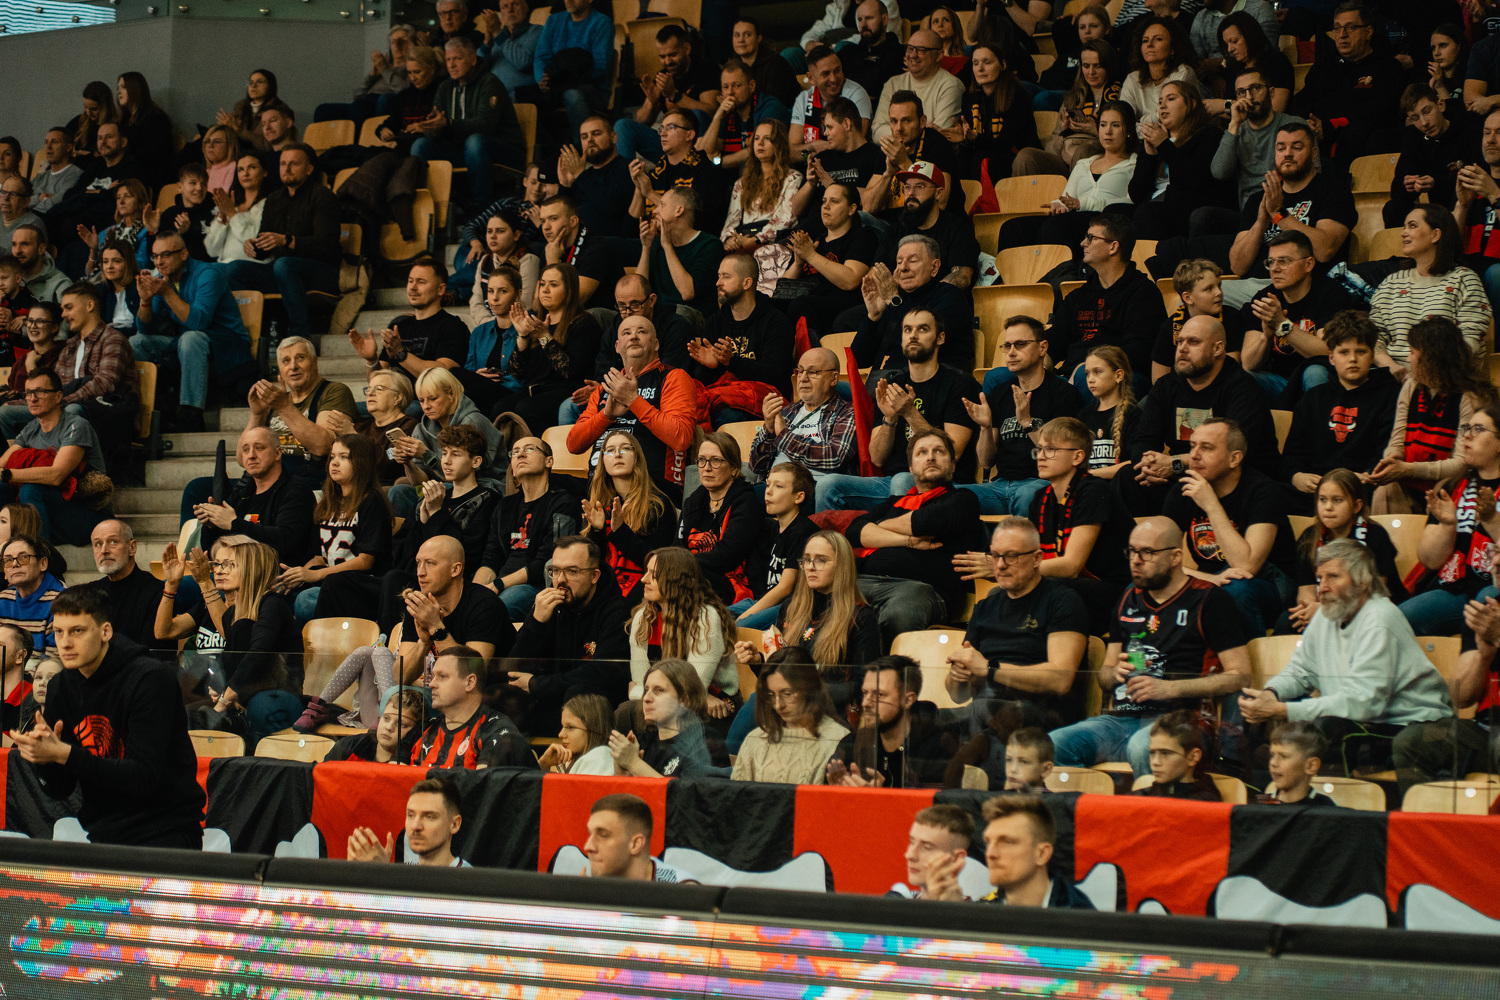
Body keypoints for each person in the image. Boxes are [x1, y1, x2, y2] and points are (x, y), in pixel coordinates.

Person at [1050, 516, 1251, 777]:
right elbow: (1105, 676)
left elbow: (1240, 675)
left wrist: (1170, 688)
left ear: (1176, 557)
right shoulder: (1127, 599)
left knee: (1143, 747)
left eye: (1148, 552)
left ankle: (1155, 804)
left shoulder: (1210, 601)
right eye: (1132, 551)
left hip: (1183, 720)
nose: (1136, 560)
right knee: (1055, 745)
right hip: (1121, 719)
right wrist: (1114, 672)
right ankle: (1090, 804)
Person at [7, 586, 205, 848]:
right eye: (59, 632)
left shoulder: (150, 678)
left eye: (77, 631)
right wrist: (45, 760)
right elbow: (60, 789)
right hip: (104, 831)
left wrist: (65, 754)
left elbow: (143, 777)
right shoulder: (60, 687)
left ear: (106, 632)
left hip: (165, 829)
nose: (65, 642)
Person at [1241, 539, 1453, 777]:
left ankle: (1324, 796)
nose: (1322, 588)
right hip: (1363, 723)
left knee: (1330, 729)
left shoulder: (1380, 618)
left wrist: (1283, 710)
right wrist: (1271, 694)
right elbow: (1300, 671)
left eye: (1333, 577)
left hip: (1412, 727)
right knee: (1257, 727)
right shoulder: (1325, 616)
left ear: (1363, 582)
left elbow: (1361, 704)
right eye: (1319, 579)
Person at [297, 536, 511, 730]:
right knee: (385, 678)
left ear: (455, 569)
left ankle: (383, 725)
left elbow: (473, 674)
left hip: (478, 704)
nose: (420, 572)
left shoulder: (484, 605)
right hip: (432, 696)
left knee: (396, 697)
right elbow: (402, 677)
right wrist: (423, 644)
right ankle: (327, 708)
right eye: (418, 563)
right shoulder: (419, 604)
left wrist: (436, 629)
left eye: (430, 563)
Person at [946, 517, 1091, 730]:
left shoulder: (1063, 602)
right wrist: (957, 676)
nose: (1000, 565)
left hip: (1039, 716)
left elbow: (1060, 680)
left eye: (1011, 556)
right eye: (995, 556)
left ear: (1037, 558)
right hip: (987, 712)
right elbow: (958, 695)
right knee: (921, 717)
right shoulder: (985, 607)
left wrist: (990, 669)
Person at [1124, 316, 1276, 515]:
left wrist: (1174, 464)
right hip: (1180, 475)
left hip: (1229, 479)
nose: (1182, 349)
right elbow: (1143, 440)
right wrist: (1148, 464)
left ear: (1218, 348)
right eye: (1180, 342)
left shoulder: (1242, 388)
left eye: (1193, 342)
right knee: (1127, 477)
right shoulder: (1166, 386)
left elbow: (1233, 452)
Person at [1163, 417, 1294, 636]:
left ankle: (1245, 658)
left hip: (1267, 584)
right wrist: (1210, 579)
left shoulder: (1263, 492)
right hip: (1213, 580)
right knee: (1142, 586)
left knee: (1234, 588)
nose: (1193, 455)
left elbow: (1246, 567)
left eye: (1207, 448)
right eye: (1192, 446)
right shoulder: (1182, 490)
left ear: (1234, 459)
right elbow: (1161, 560)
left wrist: (1211, 504)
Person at [848, 430, 983, 641]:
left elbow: (924, 522)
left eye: (939, 451)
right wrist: (908, 540)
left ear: (953, 465)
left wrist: (878, 527)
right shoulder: (893, 503)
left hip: (921, 590)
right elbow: (855, 531)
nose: (930, 457)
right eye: (922, 452)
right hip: (864, 581)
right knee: (824, 602)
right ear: (911, 468)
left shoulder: (963, 500)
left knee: (899, 613)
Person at [156, 535, 302, 729]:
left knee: (188, 718)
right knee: (165, 688)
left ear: (251, 568)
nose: (218, 570)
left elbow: (255, 653)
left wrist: (224, 699)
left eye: (229, 564)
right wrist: (171, 584)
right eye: (216, 564)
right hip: (225, 691)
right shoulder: (229, 612)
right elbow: (163, 632)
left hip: (271, 695)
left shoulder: (272, 605)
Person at [1365, 317, 1495, 515]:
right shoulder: (1410, 386)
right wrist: (1392, 459)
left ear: (1431, 358)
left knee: (1444, 487)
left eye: (1412, 352)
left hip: (1447, 484)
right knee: (1386, 489)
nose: (1408, 359)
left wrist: (1408, 469)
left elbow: (1462, 464)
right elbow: (1396, 440)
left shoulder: (1468, 397)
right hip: (1410, 478)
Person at [567, 317, 698, 508]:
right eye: (626, 333)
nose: (634, 336)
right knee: (550, 485)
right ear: (617, 346)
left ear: (656, 344)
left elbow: (681, 438)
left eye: (642, 332)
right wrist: (606, 416)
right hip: (601, 492)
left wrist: (633, 401)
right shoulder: (603, 389)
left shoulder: (673, 377)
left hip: (653, 493)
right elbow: (573, 444)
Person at [132, 230, 255, 433]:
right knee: (136, 342)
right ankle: (149, 411)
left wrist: (167, 293)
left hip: (227, 340)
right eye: (155, 256)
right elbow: (147, 329)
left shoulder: (208, 274)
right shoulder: (162, 279)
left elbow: (200, 322)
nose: (159, 262)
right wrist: (145, 300)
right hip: (189, 341)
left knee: (190, 338)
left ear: (183, 254)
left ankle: (191, 414)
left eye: (166, 255)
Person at [221, 144, 342, 343]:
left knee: (284, 264)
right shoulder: (274, 199)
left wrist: (287, 240)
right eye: (283, 164)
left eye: (294, 164)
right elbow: (265, 245)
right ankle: (252, 335)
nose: (286, 169)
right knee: (234, 269)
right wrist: (254, 246)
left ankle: (300, 336)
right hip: (282, 271)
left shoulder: (323, 196)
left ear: (309, 169)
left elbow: (326, 245)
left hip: (322, 272)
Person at [1397, 404, 1500, 634]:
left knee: (1486, 602)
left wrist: (1491, 519)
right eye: (1467, 428)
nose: (1468, 436)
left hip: (1493, 588)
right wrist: (1447, 525)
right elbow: (1429, 560)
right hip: (1454, 589)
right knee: (1395, 620)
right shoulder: (1451, 487)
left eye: (1478, 429)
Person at [508, 535, 632, 718]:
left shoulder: (617, 611)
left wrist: (538, 685)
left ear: (594, 576)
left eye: (572, 571)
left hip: (594, 708)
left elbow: (602, 674)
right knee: (500, 693)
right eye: (555, 570)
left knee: (577, 694)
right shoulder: (549, 607)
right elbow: (514, 667)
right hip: (549, 701)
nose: (560, 579)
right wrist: (536, 623)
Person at [967, 317, 1079, 516]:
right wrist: (985, 427)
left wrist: (1027, 422)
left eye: (1020, 344)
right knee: (954, 496)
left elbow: (1060, 456)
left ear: (1042, 348)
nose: (1011, 352)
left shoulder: (1063, 394)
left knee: (1027, 496)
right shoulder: (999, 394)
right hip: (1000, 487)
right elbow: (986, 461)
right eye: (1007, 345)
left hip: (1042, 483)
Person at [1227, 121, 1357, 290]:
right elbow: (1237, 266)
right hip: (1257, 284)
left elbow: (1324, 251)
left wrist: (1278, 214)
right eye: (1281, 148)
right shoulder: (1260, 199)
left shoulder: (1333, 191)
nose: (1287, 153)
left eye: (1296, 147)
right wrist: (1261, 222)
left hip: (1305, 286)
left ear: (1313, 153)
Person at [1281, 311, 1400, 495]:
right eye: (1344, 352)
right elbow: (1294, 452)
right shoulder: (1313, 398)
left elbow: (1386, 450)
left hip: (1363, 486)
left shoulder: (1390, 396)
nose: (1352, 359)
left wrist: (1369, 475)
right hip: (1315, 487)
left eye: (1361, 352)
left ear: (1372, 356)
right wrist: (1297, 476)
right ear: (1331, 358)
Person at [1047, 213, 1166, 393]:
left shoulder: (1144, 293)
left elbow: (1138, 351)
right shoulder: (1077, 296)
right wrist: (1038, 363)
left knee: (1086, 377)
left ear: (1113, 247)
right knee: (1005, 376)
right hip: (1074, 376)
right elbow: (1055, 340)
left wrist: (1089, 367)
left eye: (1091, 238)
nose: (1083, 243)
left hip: (1122, 377)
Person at [736, 530, 883, 674]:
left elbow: (863, 684)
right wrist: (759, 662)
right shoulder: (791, 607)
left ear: (841, 566)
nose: (810, 567)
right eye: (807, 559)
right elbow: (782, 676)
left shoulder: (861, 618)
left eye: (821, 560)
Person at [282, 435, 392, 622]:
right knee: (277, 596)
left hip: (360, 587)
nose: (334, 463)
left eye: (344, 457)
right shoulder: (326, 503)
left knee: (306, 601)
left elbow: (365, 561)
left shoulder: (372, 501)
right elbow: (319, 557)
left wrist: (315, 574)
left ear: (361, 463)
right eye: (332, 457)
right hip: (329, 582)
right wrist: (297, 576)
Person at [1371, 206, 1492, 375]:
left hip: (1446, 377)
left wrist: (1429, 372)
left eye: (1412, 226)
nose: (1403, 233)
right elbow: (1373, 335)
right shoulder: (1392, 282)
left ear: (1435, 235)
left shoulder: (1464, 279)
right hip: (1394, 376)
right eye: (1404, 227)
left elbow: (1470, 341)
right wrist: (1392, 368)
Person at [1240, 230, 1361, 399]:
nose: (1274, 268)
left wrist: (1282, 325)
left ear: (1308, 264)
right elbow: (1248, 364)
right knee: (1242, 379)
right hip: (1277, 380)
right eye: (1271, 262)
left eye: (1284, 261)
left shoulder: (1331, 294)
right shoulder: (1264, 299)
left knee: (1314, 372)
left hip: (1317, 377)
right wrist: (1266, 337)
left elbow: (1327, 351)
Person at [473, 436, 581, 621]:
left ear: (549, 461)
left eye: (529, 449)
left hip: (537, 586)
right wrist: (474, 594)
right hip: (501, 584)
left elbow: (550, 562)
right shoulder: (504, 506)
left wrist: (499, 584)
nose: (520, 454)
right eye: (515, 452)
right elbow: (491, 557)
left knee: (492, 612)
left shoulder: (563, 503)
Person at [1284, 468, 1404, 633]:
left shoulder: (1376, 536)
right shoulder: (1309, 538)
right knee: (1287, 623)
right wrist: (1310, 610)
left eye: (1337, 500)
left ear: (1356, 506)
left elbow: (1376, 593)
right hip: (1325, 606)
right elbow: (1306, 592)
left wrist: (1323, 611)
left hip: (1369, 610)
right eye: (1322, 499)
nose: (1328, 507)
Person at [412, 37, 523, 213]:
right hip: (464, 151)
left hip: (503, 150)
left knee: (475, 141)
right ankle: (431, 209)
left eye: (457, 58)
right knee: (420, 145)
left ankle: (481, 208)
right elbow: (439, 124)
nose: (451, 65)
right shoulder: (445, 87)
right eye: (448, 59)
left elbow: (486, 125)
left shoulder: (489, 82)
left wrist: (448, 123)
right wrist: (432, 128)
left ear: (472, 59)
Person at [0, 369, 109, 546]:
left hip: (87, 515)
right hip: (52, 512)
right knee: (2, 489)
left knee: (30, 489)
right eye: (28, 393)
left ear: (58, 396)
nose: (32, 398)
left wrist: (8, 474)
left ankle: (41, 555)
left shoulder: (76, 425)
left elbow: (56, 475)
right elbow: (3, 462)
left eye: (40, 392)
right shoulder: (31, 428)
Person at [925, 794, 1094, 907]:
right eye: (988, 842)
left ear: (1042, 854)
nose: (990, 854)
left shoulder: (1080, 920)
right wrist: (954, 916)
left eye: (1006, 842)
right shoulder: (984, 913)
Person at [628, 548, 738, 716]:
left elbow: (693, 689)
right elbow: (641, 682)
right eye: (646, 572)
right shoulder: (643, 617)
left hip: (716, 705)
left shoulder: (705, 618)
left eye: (654, 575)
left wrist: (635, 692)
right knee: (627, 712)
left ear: (676, 581)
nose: (643, 579)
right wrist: (638, 691)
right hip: (671, 700)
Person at [1291, 2, 1403, 166]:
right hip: (1319, 134)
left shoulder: (1387, 67)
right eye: (1337, 28)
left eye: (1351, 27)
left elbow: (1381, 112)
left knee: (1356, 133)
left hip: (1359, 140)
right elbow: (1301, 102)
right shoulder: (1324, 67)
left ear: (1368, 32)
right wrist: (1308, 123)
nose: (1342, 34)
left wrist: (1331, 126)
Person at [498, 261, 605, 431]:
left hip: (569, 393)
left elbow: (570, 371)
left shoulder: (583, 323)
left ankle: (546, 448)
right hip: (537, 391)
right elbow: (518, 373)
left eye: (553, 285)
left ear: (569, 290)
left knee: (526, 409)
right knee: (501, 408)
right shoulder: (535, 321)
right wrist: (523, 336)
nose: (545, 290)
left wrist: (544, 337)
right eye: (542, 284)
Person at [243, 336, 361, 489]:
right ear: (280, 369)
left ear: (315, 362)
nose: (293, 366)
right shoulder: (277, 401)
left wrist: (284, 407)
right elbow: (242, 458)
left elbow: (322, 447)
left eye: (300, 358)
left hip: (310, 482)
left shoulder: (334, 391)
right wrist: (257, 415)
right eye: (286, 361)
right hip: (271, 479)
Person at [43, 282, 137, 469]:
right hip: (68, 409)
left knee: (72, 411)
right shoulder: (69, 347)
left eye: (68, 307)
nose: (63, 315)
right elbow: (54, 387)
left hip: (108, 414)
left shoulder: (113, 339)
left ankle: (61, 472)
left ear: (90, 305)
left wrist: (62, 402)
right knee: (6, 414)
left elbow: (105, 383)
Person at [195, 426, 317, 569]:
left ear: (278, 453)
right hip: (235, 572)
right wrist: (212, 526)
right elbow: (211, 552)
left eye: (259, 448)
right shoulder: (241, 494)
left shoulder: (297, 492)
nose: (251, 455)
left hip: (278, 577)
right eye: (246, 450)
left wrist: (234, 523)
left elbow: (284, 542)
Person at [689, 255, 796, 416]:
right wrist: (711, 366)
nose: (718, 283)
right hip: (723, 398)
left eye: (726, 276)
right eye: (719, 276)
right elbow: (705, 381)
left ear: (747, 283)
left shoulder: (776, 321)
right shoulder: (715, 322)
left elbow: (773, 375)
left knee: (726, 416)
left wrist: (731, 362)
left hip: (765, 404)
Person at [1128, 80, 1232, 242]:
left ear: (1191, 104)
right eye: (1160, 102)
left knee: (1146, 213)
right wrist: (1149, 155)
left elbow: (1195, 181)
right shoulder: (1157, 140)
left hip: (1190, 208)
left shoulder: (1208, 135)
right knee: (1115, 212)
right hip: (1156, 205)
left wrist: (1164, 145)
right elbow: (1136, 194)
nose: (1163, 106)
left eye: (1171, 99)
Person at [349, 258, 471, 394]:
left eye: (421, 282)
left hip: (426, 401)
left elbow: (443, 374)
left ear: (441, 289)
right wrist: (372, 360)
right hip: (392, 400)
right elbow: (377, 381)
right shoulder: (399, 326)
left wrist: (401, 354)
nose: (413, 287)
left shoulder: (453, 326)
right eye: (410, 281)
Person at [782, 184, 880, 345]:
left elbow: (851, 280)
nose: (826, 206)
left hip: (842, 303)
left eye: (834, 201)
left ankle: (811, 356)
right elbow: (783, 290)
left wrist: (811, 256)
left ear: (851, 209)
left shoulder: (862, 237)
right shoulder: (814, 241)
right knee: (771, 305)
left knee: (801, 305)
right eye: (824, 201)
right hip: (809, 300)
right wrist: (798, 264)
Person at [390, 367, 502, 506]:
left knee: (444, 490)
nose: (426, 406)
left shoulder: (473, 422)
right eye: (421, 400)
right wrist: (408, 463)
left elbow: (465, 476)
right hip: (444, 487)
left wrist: (426, 455)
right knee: (399, 491)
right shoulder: (421, 429)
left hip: (486, 487)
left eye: (432, 399)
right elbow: (420, 483)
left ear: (451, 394)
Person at [1208, 68, 1304, 229]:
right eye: (1241, 92)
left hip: (1286, 209)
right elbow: (1219, 172)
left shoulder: (1293, 125)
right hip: (1250, 215)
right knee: (1203, 217)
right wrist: (1234, 124)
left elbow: (1313, 172)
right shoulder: (1236, 131)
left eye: (1255, 88)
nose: (1249, 97)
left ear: (1271, 92)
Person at [731, 656, 849, 784]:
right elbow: (737, 793)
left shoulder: (838, 740)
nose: (778, 705)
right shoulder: (755, 739)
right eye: (771, 695)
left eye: (787, 694)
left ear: (809, 689)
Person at [401, 424, 500, 574]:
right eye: (444, 453)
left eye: (455, 454)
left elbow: (467, 555)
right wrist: (422, 523)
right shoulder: (434, 496)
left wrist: (436, 513)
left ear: (476, 461)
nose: (446, 461)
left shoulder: (488, 500)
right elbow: (402, 556)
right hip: (415, 575)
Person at [827, 655, 940, 787]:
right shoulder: (851, 744)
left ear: (908, 700)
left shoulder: (936, 748)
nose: (865, 703)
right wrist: (837, 794)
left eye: (879, 695)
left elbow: (938, 800)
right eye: (865, 693)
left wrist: (879, 797)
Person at [614, 24, 720, 163]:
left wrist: (675, 95)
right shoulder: (663, 76)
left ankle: (695, 170)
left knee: (697, 114)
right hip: (669, 145)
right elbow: (641, 121)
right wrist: (652, 103)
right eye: (662, 56)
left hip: (697, 145)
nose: (667, 62)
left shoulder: (706, 68)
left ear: (687, 49)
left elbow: (711, 111)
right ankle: (625, 176)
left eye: (672, 55)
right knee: (623, 126)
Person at [750, 348, 857, 483]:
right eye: (800, 371)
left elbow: (834, 458)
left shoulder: (847, 412)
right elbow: (757, 467)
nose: (803, 378)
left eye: (812, 372)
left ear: (834, 378)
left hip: (813, 488)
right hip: (773, 486)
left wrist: (784, 435)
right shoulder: (788, 411)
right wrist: (769, 431)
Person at [415, 645, 531, 769]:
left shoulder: (497, 730)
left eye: (442, 676)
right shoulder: (423, 728)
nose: (431, 684)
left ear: (470, 682)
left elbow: (483, 780)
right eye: (433, 677)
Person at [1019, 40, 1123, 177]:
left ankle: (1076, 190)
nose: (1091, 72)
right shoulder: (1072, 98)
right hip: (1065, 159)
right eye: (1086, 66)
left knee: (1082, 152)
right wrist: (1062, 132)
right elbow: (1051, 149)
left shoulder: (1120, 95)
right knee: (1026, 156)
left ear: (1108, 66)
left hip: (1099, 157)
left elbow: (1125, 140)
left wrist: (1095, 130)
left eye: (1097, 66)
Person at [721, 121, 804, 289]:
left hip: (772, 240)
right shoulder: (741, 183)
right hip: (742, 237)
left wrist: (755, 239)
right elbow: (731, 220)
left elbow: (786, 218)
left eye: (767, 138)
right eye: (757, 138)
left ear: (779, 144)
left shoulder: (793, 178)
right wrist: (730, 239)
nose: (760, 143)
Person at [878, 162, 980, 287]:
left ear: (938, 193)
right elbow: (875, 272)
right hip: (898, 297)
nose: (911, 193)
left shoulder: (958, 229)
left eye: (919, 187)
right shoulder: (894, 230)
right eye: (907, 187)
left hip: (940, 298)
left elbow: (962, 277)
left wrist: (928, 296)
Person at [1385, 85, 1474, 227]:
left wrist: (1435, 183)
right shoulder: (1412, 137)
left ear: (1441, 105)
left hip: (1465, 203)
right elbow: (1397, 191)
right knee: (1393, 208)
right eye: (1415, 118)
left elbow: (1472, 183)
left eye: (1427, 112)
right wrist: (1409, 186)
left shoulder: (1468, 129)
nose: (1424, 123)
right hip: (1436, 209)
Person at [611, 658, 715, 778]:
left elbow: (685, 789)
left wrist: (634, 763)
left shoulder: (700, 743)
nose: (646, 698)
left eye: (659, 690)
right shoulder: (641, 743)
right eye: (646, 690)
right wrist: (622, 774)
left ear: (683, 700)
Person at [792, 98, 888, 219]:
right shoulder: (821, 158)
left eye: (829, 127)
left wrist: (832, 184)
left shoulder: (877, 156)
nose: (825, 133)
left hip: (849, 227)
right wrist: (810, 185)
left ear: (847, 124)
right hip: (807, 227)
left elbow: (872, 203)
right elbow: (795, 210)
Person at [637, 188, 723, 321]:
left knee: (680, 312)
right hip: (659, 316)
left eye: (662, 205)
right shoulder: (656, 243)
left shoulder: (710, 245)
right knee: (603, 315)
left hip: (693, 318)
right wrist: (646, 247)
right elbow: (637, 291)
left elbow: (687, 293)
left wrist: (667, 247)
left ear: (679, 210)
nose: (655, 210)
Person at [347, 777, 472, 867]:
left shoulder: (471, 883)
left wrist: (381, 875)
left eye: (429, 817)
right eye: (411, 815)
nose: (415, 826)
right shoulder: (404, 877)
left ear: (454, 824)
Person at [532, 0, 614, 134]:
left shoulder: (602, 23)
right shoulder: (553, 21)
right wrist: (542, 78)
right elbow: (541, 57)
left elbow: (600, 66)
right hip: (556, 84)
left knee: (572, 95)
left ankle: (582, 143)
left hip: (591, 87)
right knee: (525, 94)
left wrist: (567, 77)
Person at [698, 61, 794, 174]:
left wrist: (719, 162)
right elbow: (703, 153)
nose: (730, 92)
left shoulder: (770, 107)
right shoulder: (725, 112)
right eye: (725, 87)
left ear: (751, 86)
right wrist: (717, 117)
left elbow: (758, 149)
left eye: (737, 86)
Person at [628, 111, 723, 224]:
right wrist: (639, 188)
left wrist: (650, 194)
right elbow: (630, 228)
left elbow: (694, 220)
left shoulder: (706, 171)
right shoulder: (655, 173)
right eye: (661, 129)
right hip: (650, 235)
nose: (663, 134)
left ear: (689, 135)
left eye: (670, 128)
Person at [87, 518, 165, 653]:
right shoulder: (89, 592)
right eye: (98, 544)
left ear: (132, 547)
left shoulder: (156, 591)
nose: (104, 550)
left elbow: (154, 654)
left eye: (113, 542)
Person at [871, 29, 963, 143]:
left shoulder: (951, 86)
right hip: (893, 152)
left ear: (939, 55)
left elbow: (937, 137)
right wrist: (919, 131)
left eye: (921, 50)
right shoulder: (893, 83)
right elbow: (877, 131)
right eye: (910, 48)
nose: (913, 55)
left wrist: (896, 132)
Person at [583, 792, 695, 881]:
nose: (588, 847)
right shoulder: (589, 885)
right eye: (590, 833)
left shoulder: (681, 893)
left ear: (636, 844)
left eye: (603, 835)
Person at [557, 115, 634, 240]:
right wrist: (565, 185)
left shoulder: (628, 168)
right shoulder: (583, 176)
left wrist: (581, 175)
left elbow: (612, 206)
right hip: (578, 242)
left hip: (611, 242)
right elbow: (561, 216)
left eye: (596, 134)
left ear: (613, 137)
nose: (590, 140)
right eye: (584, 137)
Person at [790, 47, 873, 161]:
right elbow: (791, 153)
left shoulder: (856, 94)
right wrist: (811, 148)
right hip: (811, 166)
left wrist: (819, 154)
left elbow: (856, 143)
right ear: (811, 78)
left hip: (851, 164)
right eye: (826, 74)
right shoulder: (803, 99)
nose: (833, 79)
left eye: (837, 70)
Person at [1117, 15, 1199, 125]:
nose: (1149, 44)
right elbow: (1123, 121)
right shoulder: (1133, 78)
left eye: (1158, 39)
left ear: (1172, 48)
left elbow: (1171, 118)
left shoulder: (1183, 73)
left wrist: (1141, 120)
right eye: (1145, 40)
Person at [889, 805, 974, 900]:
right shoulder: (894, 902)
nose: (910, 855)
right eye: (912, 842)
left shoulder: (979, 909)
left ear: (956, 858)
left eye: (927, 847)